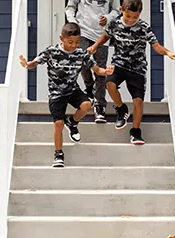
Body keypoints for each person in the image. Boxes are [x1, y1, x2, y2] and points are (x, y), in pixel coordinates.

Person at [88, 0, 175, 145]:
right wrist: (94, 46)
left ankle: (136, 131)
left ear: (140, 13)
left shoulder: (144, 28)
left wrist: (169, 52)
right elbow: (106, 36)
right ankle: (121, 108)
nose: (131, 19)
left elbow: (156, 45)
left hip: (137, 67)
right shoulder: (114, 24)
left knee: (138, 100)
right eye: (128, 16)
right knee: (109, 84)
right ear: (121, 10)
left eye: (135, 17)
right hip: (118, 64)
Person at [19, 22, 114, 168]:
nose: (74, 45)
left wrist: (105, 71)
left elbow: (96, 69)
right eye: (70, 42)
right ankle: (58, 154)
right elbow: (35, 62)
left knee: (87, 104)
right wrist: (27, 64)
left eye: (77, 42)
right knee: (58, 123)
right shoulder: (52, 52)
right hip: (56, 93)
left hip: (72, 90)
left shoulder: (81, 53)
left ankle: (73, 122)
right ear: (61, 39)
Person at [65, 0, 120, 124]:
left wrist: (108, 18)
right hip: (82, 32)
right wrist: (73, 24)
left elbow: (117, 10)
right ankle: (89, 87)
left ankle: (100, 107)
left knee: (101, 70)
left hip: (101, 35)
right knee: (83, 63)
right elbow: (70, 7)